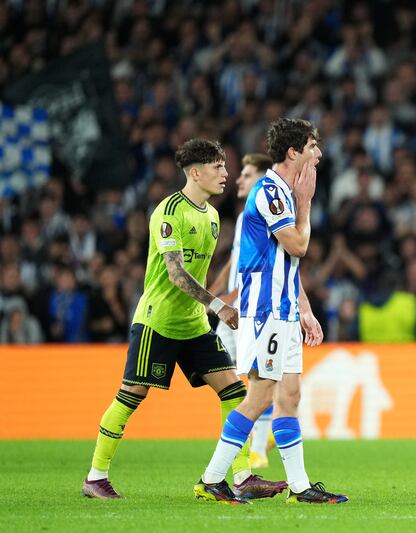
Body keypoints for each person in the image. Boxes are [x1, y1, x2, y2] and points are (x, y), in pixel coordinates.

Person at [82, 139, 286, 501]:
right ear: (195, 172)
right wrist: (219, 304)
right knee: (133, 393)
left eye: (225, 167)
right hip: (157, 320)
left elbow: (201, 274)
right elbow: (176, 274)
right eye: (218, 167)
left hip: (193, 324)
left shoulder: (211, 218)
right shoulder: (168, 211)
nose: (226, 174)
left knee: (234, 391)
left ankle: (241, 476)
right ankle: (96, 476)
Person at [194, 118, 347, 504]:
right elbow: (296, 246)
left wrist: (304, 309)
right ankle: (212, 477)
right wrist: (306, 205)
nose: (319, 154)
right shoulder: (271, 192)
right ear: (294, 152)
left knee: (290, 396)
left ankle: (299, 487)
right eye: (313, 146)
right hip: (265, 311)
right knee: (261, 396)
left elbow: (287, 264)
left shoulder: (284, 191)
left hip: (284, 309)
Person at [207, 153, 277, 469]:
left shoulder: (263, 217)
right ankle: (251, 446)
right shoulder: (243, 218)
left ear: (262, 179)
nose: (239, 179)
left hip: (249, 310)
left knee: (251, 380)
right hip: (233, 309)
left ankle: (255, 450)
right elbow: (234, 263)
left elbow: (262, 267)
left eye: (247, 175)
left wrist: (226, 297)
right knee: (244, 381)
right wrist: (215, 291)